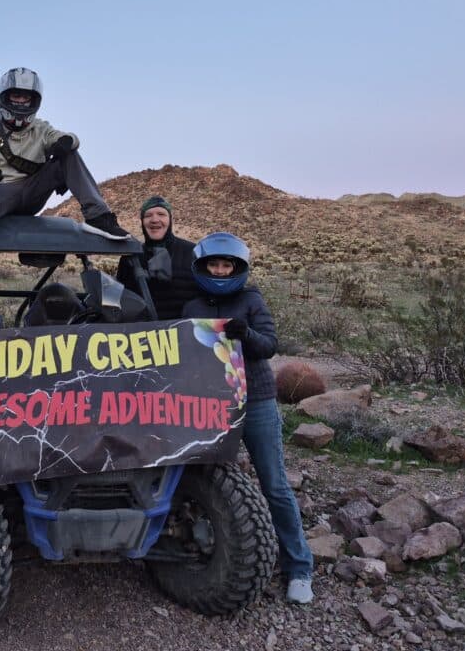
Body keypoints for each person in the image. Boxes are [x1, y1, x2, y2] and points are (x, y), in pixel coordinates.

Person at [181, 232, 315, 605]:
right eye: (214, 265)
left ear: (237, 268)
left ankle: (299, 567)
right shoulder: (191, 305)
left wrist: (246, 334)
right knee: (200, 479)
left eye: (227, 265)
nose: (220, 271)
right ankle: (208, 555)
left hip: (254, 400)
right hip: (207, 403)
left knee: (273, 484)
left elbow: (269, 346)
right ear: (203, 267)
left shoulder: (251, 299)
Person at [0, 67, 130, 267]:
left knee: (70, 154)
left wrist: (66, 142)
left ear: (34, 101)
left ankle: (99, 216)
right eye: (16, 95)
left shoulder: (41, 128)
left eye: (26, 97)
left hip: (34, 190)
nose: (20, 101)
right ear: (4, 97)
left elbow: (68, 138)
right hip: (1, 194)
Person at [115, 195, 199, 320]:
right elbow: (122, 300)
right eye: (148, 215)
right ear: (142, 222)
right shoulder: (130, 257)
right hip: (143, 334)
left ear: (170, 219)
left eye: (161, 214)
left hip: (186, 334)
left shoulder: (193, 252)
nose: (154, 219)